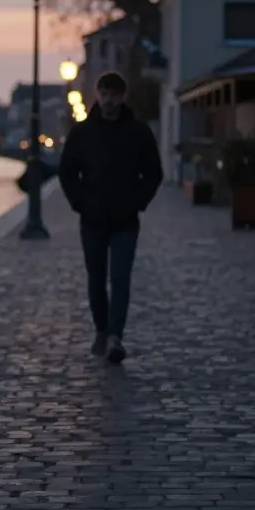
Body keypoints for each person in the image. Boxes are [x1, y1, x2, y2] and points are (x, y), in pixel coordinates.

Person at [57, 71, 162, 364]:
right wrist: (80, 203)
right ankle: (102, 329)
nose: (108, 100)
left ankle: (116, 335)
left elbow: (153, 173)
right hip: (91, 219)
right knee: (96, 278)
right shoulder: (82, 133)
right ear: (97, 95)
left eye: (113, 94)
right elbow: (67, 172)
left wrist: (138, 202)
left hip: (125, 220)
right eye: (104, 94)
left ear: (122, 96)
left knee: (120, 278)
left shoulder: (139, 133)